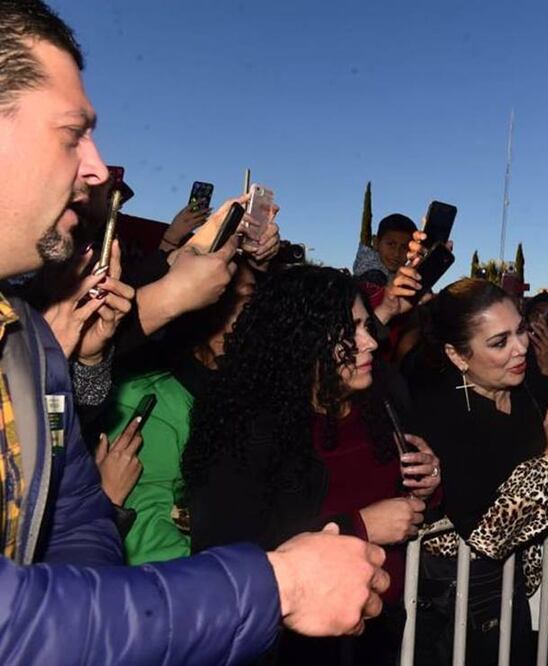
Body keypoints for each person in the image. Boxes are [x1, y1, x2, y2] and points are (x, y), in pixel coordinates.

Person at [0, 2, 386, 661]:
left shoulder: (27, 344)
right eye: (73, 135)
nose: (97, 168)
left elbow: (74, 533)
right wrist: (278, 585)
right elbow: (16, 621)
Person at [183, 265, 442, 664]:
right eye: (351, 331)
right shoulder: (248, 428)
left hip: (376, 629)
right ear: (302, 343)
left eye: (366, 326)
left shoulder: (378, 402)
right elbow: (229, 553)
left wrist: (429, 482)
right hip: (293, 642)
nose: (369, 342)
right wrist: (361, 526)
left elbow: (411, 501)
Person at [408, 277, 548, 666]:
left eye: (521, 330)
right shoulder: (438, 414)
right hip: (460, 599)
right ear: (458, 356)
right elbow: (488, 532)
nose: (521, 347)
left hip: (515, 590)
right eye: (499, 342)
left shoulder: (528, 385)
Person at [98, 262, 260, 563]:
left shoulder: (251, 391)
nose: (244, 316)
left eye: (250, 301)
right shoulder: (149, 401)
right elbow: (146, 537)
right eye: (228, 300)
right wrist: (241, 587)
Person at [354, 213, 417, 286]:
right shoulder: (371, 275)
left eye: (404, 248)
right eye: (391, 244)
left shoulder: (407, 275)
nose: (397, 254)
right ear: (376, 243)